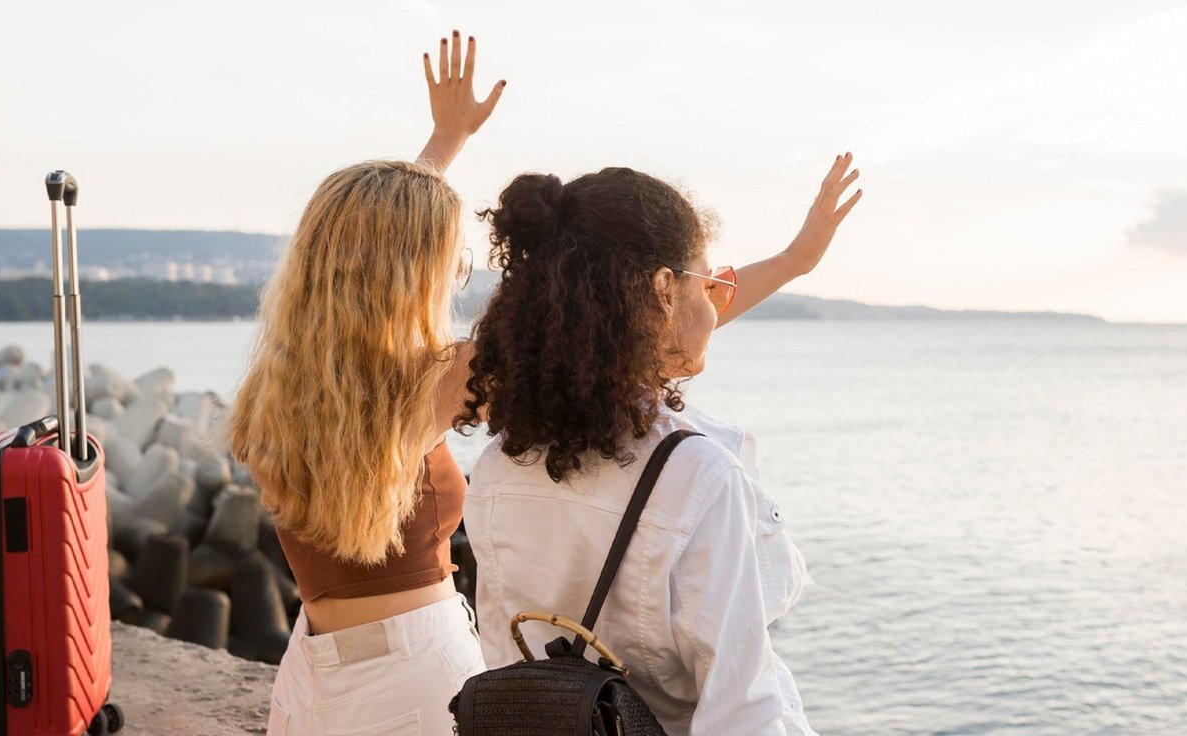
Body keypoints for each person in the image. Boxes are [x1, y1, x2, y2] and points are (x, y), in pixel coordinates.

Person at [456, 158, 862, 734]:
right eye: (707, 283)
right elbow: (741, 714)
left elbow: (506, 665)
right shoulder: (699, 477)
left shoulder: (499, 467)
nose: (717, 305)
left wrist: (793, 261)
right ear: (664, 290)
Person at [230, 31, 502, 736]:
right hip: (418, 673)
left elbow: (370, 234)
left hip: (315, 672)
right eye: (451, 260)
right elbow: (596, 345)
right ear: (417, 273)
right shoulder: (432, 382)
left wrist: (443, 143)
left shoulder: (278, 382)